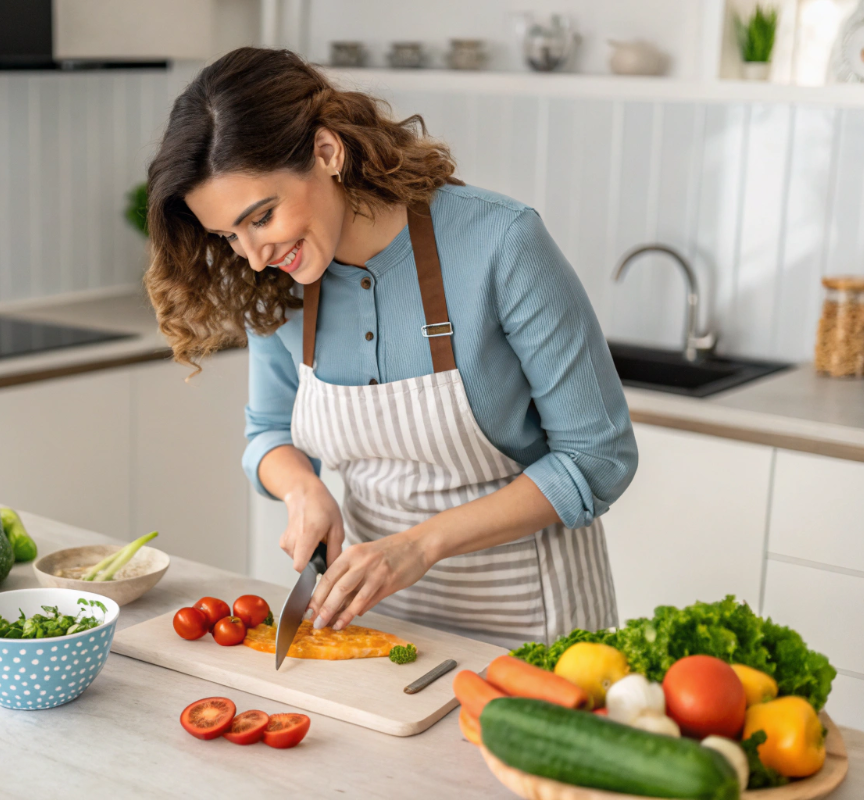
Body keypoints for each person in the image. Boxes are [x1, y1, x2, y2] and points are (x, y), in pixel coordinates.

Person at [143, 48, 638, 648]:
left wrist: (420, 545)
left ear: (327, 153)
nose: (252, 254)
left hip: (535, 623)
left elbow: (598, 459)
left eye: (263, 217)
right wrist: (303, 489)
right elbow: (269, 434)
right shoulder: (274, 284)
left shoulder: (500, 244)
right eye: (228, 236)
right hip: (384, 622)